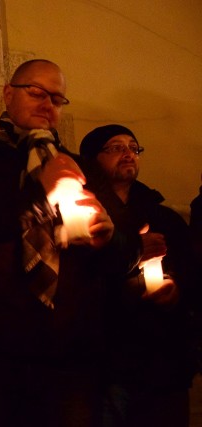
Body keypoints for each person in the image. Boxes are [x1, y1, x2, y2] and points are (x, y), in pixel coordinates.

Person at [0, 59, 140, 427]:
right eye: (37, 93)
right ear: (8, 95)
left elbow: (128, 257)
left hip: (69, 361)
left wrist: (109, 240)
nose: (47, 105)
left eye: (57, 99)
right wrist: (37, 190)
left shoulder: (82, 168)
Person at [80, 124, 197, 427]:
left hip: (161, 364)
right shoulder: (81, 214)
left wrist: (176, 291)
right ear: (93, 159)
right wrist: (131, 250)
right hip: (103, 365)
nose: (128, 154)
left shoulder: (163, 217)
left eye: (133, 147)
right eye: (116, 147)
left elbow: (190, 272)